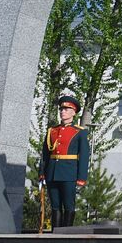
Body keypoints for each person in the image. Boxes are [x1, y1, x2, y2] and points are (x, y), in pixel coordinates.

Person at [38, 95, 89, 230]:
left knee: (68, 205)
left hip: (69, 173)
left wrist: (82, 177)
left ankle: (66, 234)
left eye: (66, 109)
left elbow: (84, 156)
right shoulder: (52, 131)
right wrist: (42, 173)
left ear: (74, 112)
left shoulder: (79, 132)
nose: (62, 112)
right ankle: (55, 233)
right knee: (55, 205)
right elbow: (45, 155)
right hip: (52, 173)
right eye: (61, 109)